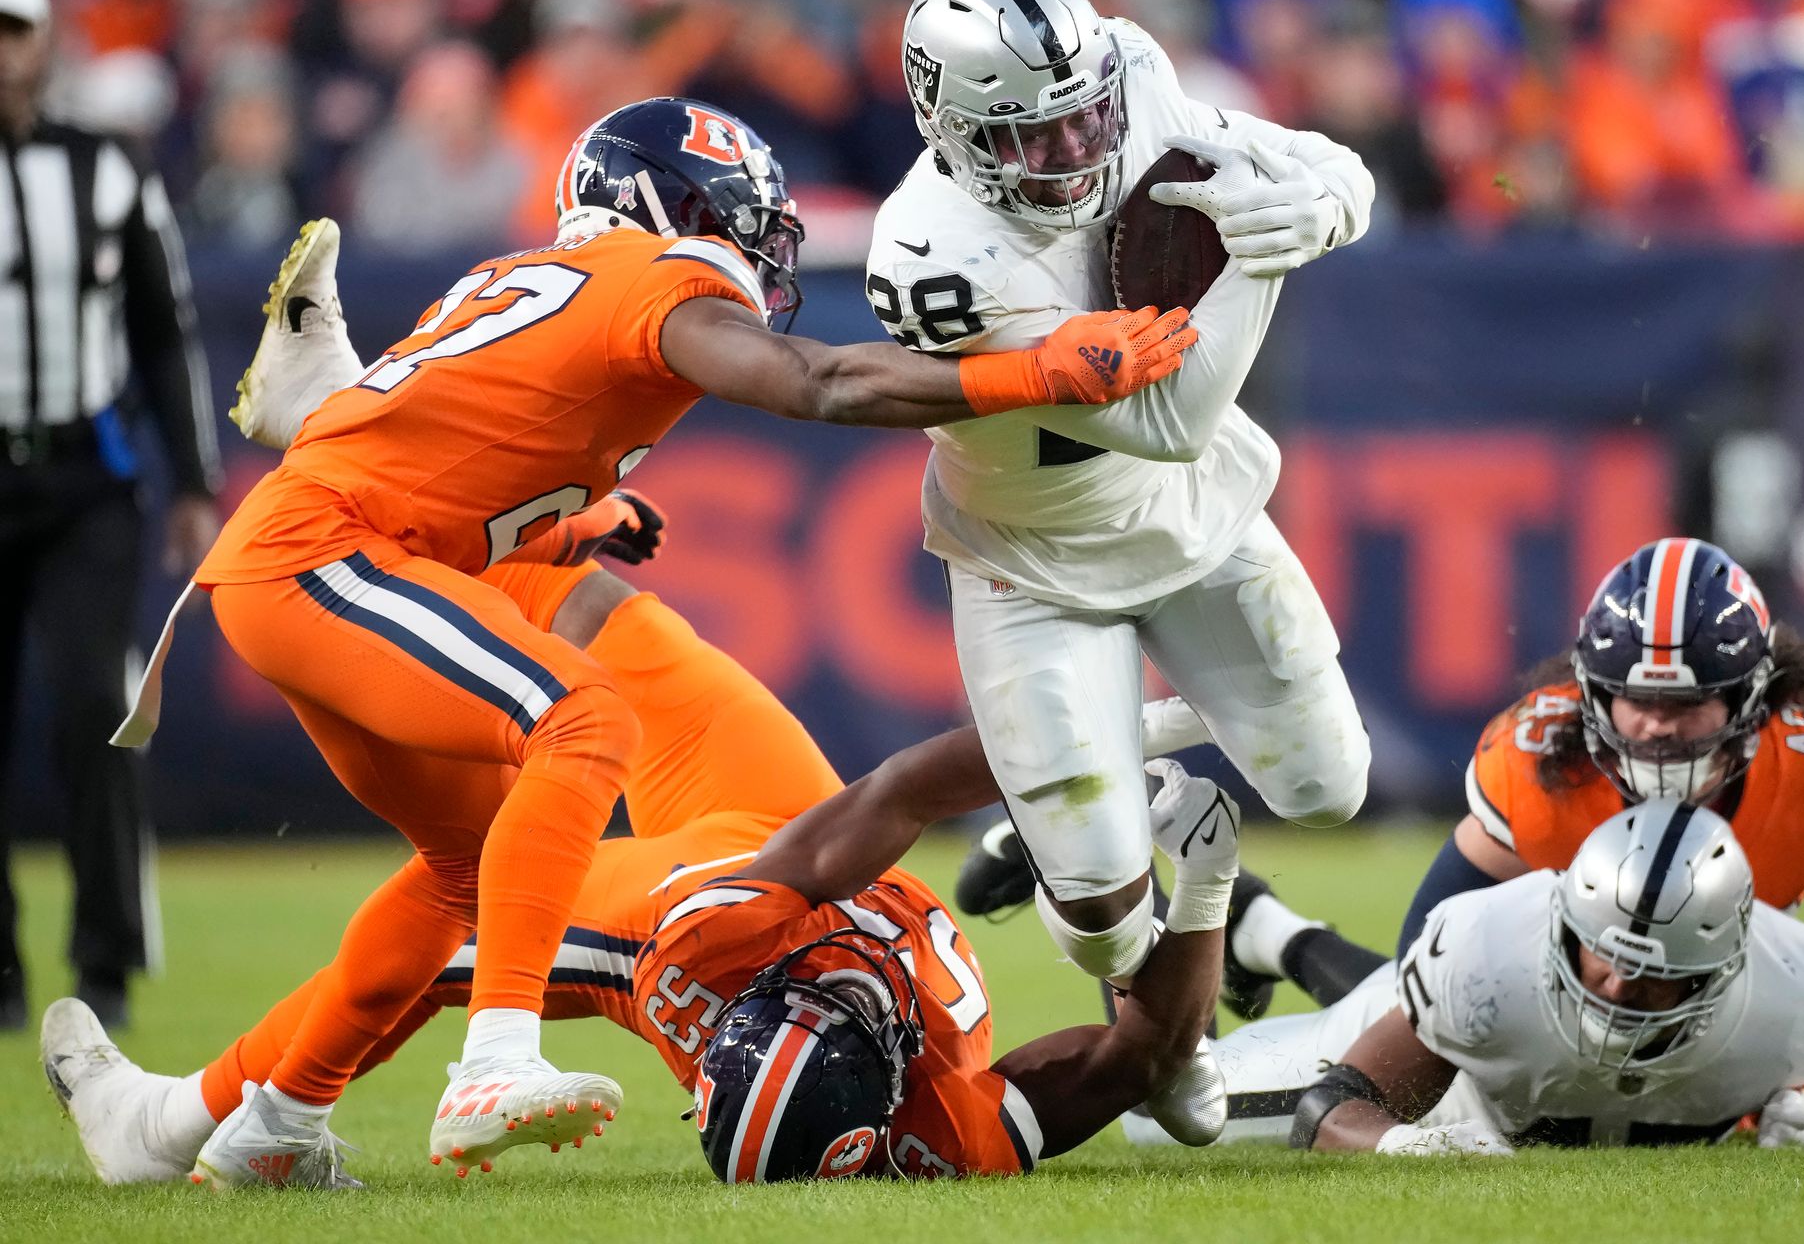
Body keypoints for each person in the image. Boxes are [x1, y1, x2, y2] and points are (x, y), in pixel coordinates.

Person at [160, 95, 1198, 1178]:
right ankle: (493, 1064)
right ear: (664, 208)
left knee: (469, 873)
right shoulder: (652, 279)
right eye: (735, 215)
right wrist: (1041, 372)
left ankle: (260, 1126)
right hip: (321, 555)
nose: (757, 246)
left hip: (342, 548)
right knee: (580, 719)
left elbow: (454, 451)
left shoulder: (525, 283)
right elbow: (821, 381)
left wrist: (571, 517)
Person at [44, 559, 1232, 1185]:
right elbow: (1140, 1051)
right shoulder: (942, 1130)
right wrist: (1194, 878)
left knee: (447, 939)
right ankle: (475, 498)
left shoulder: (714, 952)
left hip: (698, 909)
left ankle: (167, 1118)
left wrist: (1084, 769)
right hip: (786, 846)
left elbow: (905, 794)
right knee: (616, 608)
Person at [864, 0, 1375, 1035]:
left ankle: (1094, 748)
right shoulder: (928, 255)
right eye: (1030, 136)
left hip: (1192, 511)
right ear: (949, 128)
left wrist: (1320, 206)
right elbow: (1166, 418)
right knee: (1101, 919)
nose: (1075, 152)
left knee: (1329, 788)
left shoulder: (1133, 73)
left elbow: (1321, 164)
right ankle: (1089, 797)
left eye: (1085, 116)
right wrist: (1259, 260)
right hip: (1033, 560)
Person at [1220, 536, 1804, 1146]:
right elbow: (1429, 981)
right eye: (1635, 696)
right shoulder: (1544, 762)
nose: (1655, 724)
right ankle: (1261, 930)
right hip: (1548, 995)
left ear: (1753, 696)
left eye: (1687, 701)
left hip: (1700, 998)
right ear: (1593, 689)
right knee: (1357, 1047)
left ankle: (1267, 928)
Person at [1130, 800, 1804, 1154]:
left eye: (1650, 980)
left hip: (1470, 1023)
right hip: (1448, 1087)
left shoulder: (1797, 1001)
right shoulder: (1493, 953)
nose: (1612, 988)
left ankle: (1268, 929)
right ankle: (1130, 897)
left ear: (1717, 974)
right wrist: (1405, 1149)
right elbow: (1329, 1105)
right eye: (1601, 955)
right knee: (1150, 1113)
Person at [0, 0, 221, 1030]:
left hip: (87, 477)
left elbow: (163, 327)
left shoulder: (106, 167)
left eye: (11, 30)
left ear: (42, 43)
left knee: (98, 700)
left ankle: (106, 965)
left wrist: (191, 479)